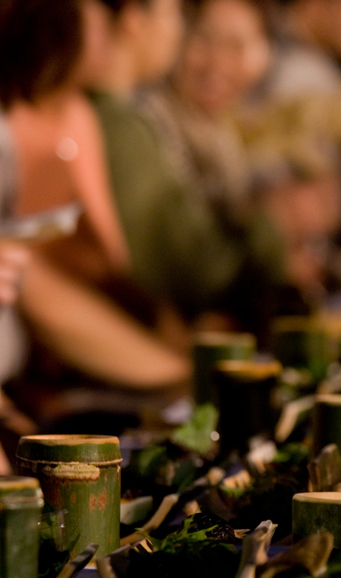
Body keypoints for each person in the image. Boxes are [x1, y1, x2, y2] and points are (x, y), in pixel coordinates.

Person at [0, 0, 189, 424]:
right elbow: (39, 282)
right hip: (46, 376)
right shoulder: (17, 125)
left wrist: (173, 347)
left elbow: (100, 265)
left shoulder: (78, 113)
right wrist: (177, 370)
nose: (115, 26)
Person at [80, 0, 289, 328]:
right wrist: (272, 226)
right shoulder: (137, 124)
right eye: (202, 38)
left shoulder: (224, 137)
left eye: (236, 46)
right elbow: (193, 272)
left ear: (267, 56)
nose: (216, 62)